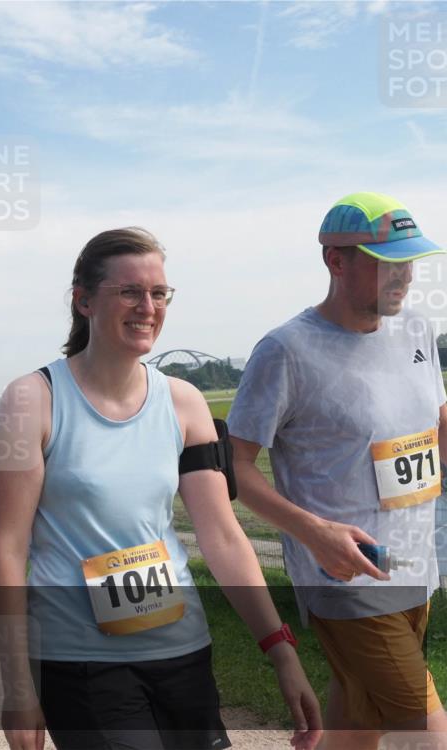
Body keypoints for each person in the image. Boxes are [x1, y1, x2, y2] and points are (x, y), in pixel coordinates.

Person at [0, 227, 322, 750]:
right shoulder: (32, 401)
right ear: (83, 300)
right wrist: (17, 689)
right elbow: (8, 550)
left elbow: (224, 538)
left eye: (159, 293)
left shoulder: (184, 403)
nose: (148, 306)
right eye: (129, 291)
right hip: (81, 661)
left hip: (182, 649)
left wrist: (281, 650)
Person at [226, 192, 447, 749]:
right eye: (388, 262)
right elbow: (236, 466)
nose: (405, 276)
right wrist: (314, 533)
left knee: (357, 721)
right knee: (427, 730)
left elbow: (433, 423)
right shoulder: (286, 350)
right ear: (337, 260)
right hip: (345, 576)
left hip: (417, 562)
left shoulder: (416, 331)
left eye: (410, 261)